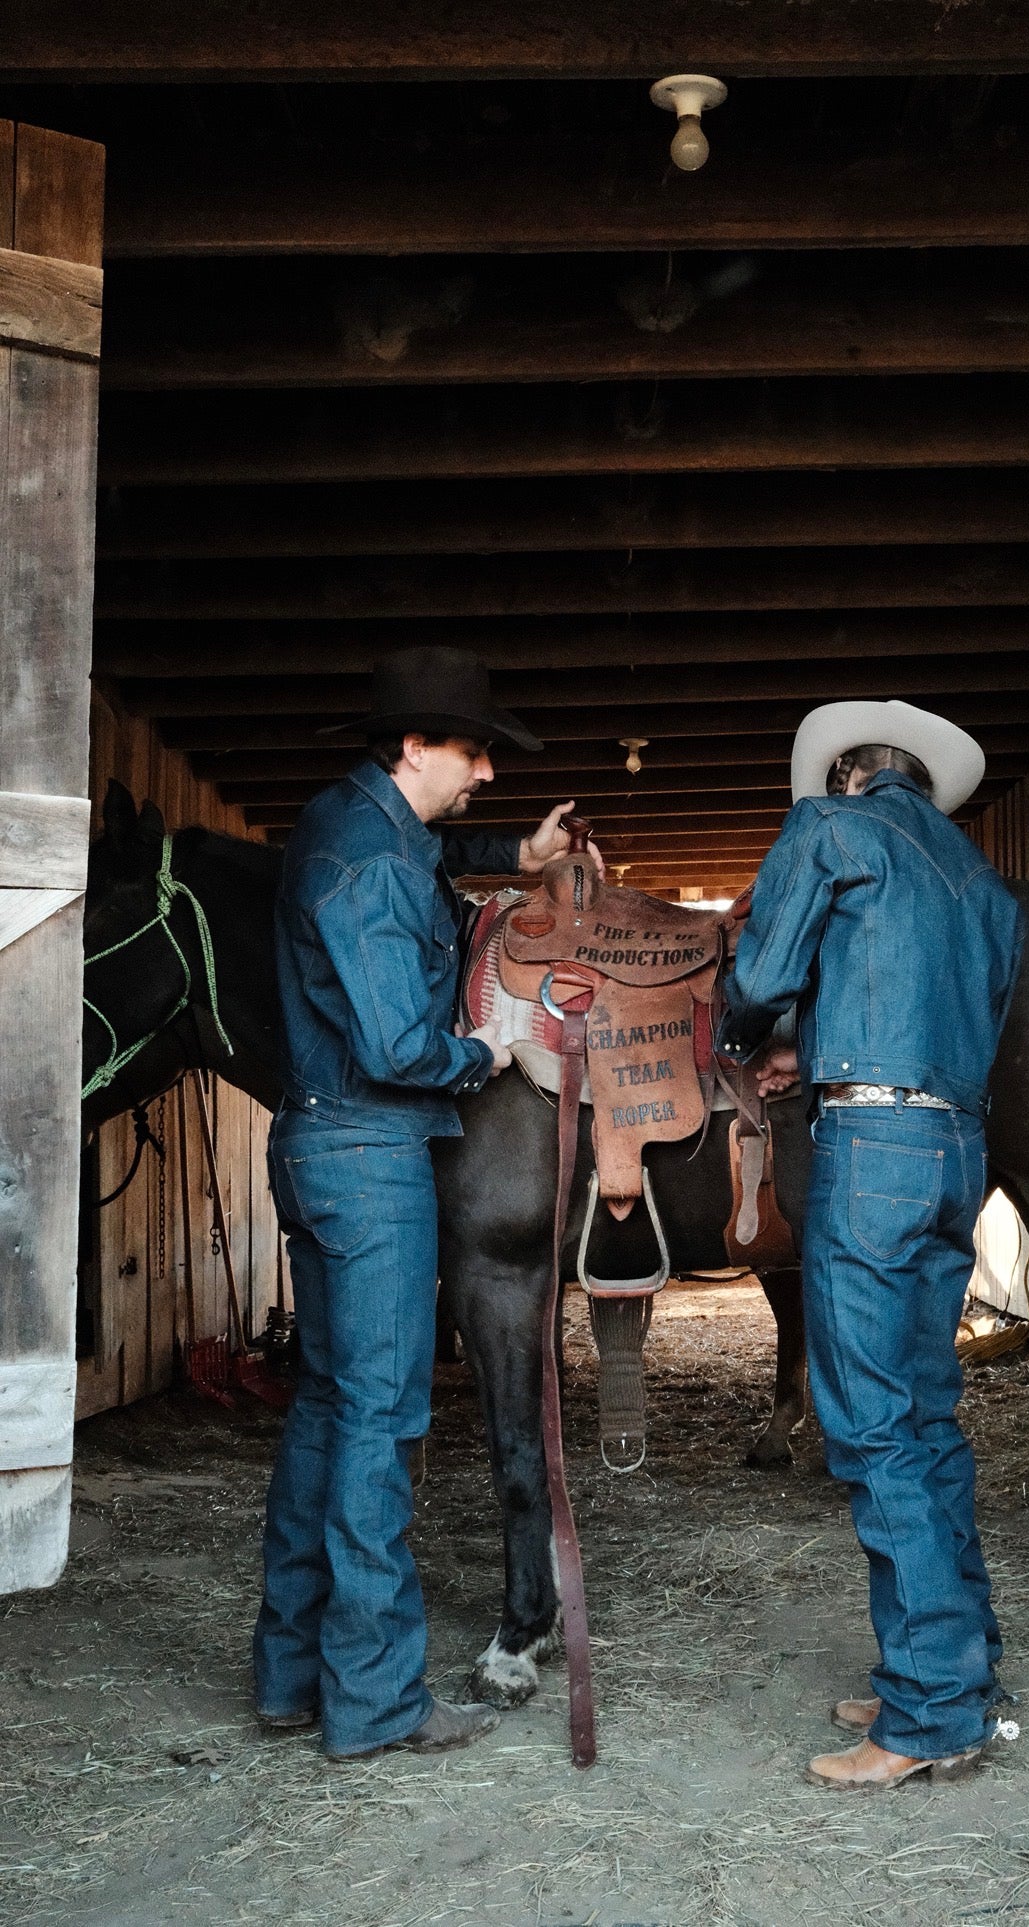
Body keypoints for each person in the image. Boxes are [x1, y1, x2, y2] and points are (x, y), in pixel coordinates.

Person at [254, 645, 599, 1762]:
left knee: (324, 1408)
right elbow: (399, 1042)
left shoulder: (354, 824)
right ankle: (376, 1701)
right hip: (370, 1151)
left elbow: (429, 851)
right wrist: (486, 1045)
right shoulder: (364, 863)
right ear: (414, 748)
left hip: (322, 1148)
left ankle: (290, 1673)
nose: (488, 771)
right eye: (473, 750)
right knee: (382, 1421)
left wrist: (517, 855)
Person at [717, 699, 1024, 1791]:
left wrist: (746, 1036)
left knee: (873, 1425)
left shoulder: (827, 832)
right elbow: (961, 1014)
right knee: (927, 1416)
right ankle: (956, 1665)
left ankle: (932, 1712)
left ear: (845, 773)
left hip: (873, 1153)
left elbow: (759, 977)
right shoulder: (980, 880)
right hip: (955, 1149)